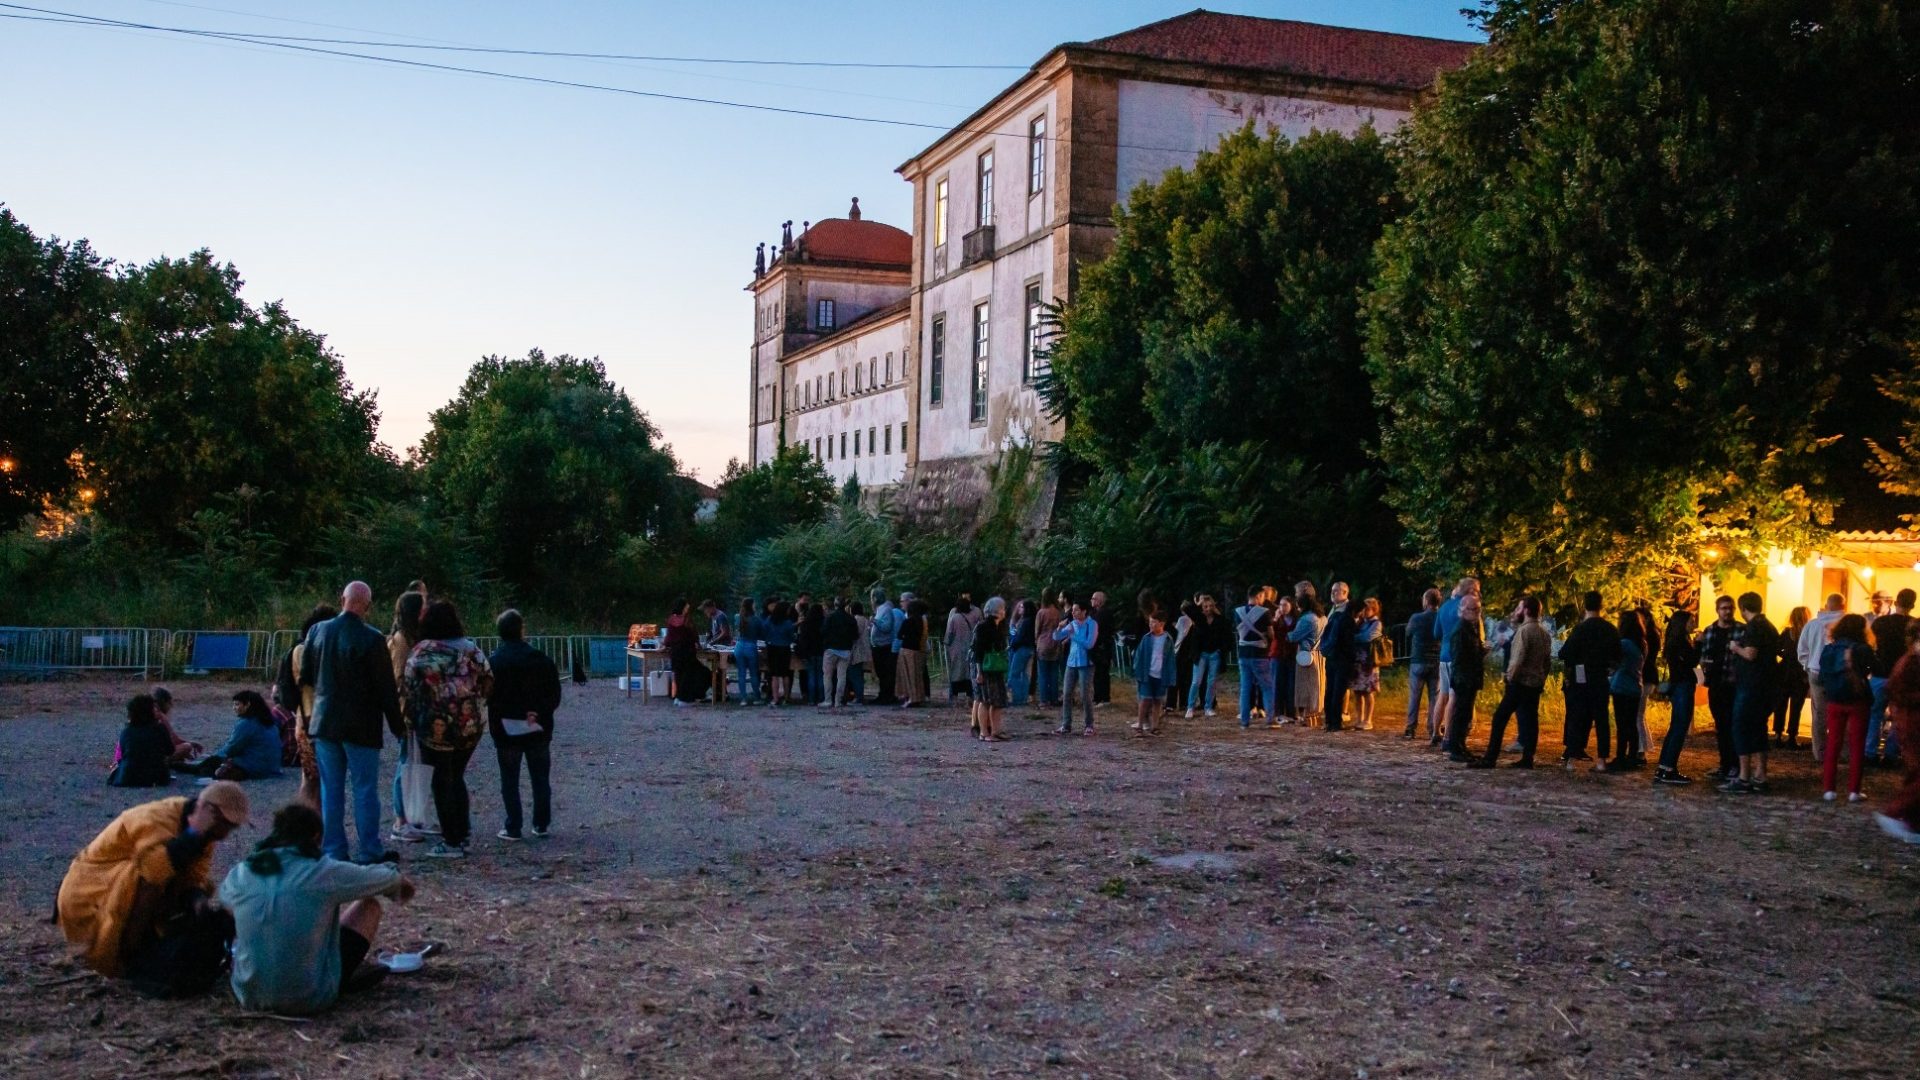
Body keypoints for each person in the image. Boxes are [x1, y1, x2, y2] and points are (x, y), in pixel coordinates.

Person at [221, 802, 419, 1013]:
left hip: (249, 995)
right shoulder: (323, 872)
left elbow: (228, 908)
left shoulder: (241, 873)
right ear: (316, 837)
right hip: (310, 998)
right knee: (369, 905)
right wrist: (401, 887)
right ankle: (331, 977)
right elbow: (390, 879)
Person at [57, 782, 248, 997]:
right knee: (145, 876)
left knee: (197, 906)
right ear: (209, 812)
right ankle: (127, 952)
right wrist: (192, 835)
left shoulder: (207, 834)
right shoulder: (157, 818)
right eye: (226, 825)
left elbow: (194, 878)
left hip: (123, 893)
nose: (227, 833)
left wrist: (198, 902)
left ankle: (145, 950)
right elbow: (152, 874)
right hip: (90, 894)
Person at [300, 582, 406, 866]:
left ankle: (334, 850)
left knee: (331, 789)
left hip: (325, 723)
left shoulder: (317, 632)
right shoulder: (372, 639)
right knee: (364, 788)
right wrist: (398, 726)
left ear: (342, 599)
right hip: (361, 726)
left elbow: (307, 676)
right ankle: (369, 850)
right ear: (367, 607)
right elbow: (386, 690)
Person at [403, 599, 493, 859]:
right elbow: (489, 680)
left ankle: (452, 840)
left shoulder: (421, 652)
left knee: (442, 782)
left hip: (435, 728)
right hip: (469, 726)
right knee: (457, 777)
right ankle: (462, 832)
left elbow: (409, 687)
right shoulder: (471, 649)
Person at [488, 609, 561, 841]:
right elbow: (554, 695)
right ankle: (541, 823)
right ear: (521, 630)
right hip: (537, 726)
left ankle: (513, 825)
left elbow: (489, 696)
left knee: (509, 779)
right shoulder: (541, 659)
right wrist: (538, 713)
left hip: (506, 728)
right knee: (540, 777)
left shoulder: (495, 662)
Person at [1471, 596, 1550, 768]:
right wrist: (1541, 679)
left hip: (1520, 683)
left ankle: (1490, 757)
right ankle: (1528, 758)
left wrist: (1509, 677)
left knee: (1499, 718)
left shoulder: (1524, 631)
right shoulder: (1544, 633)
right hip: (1535, 684)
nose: (1518, 611)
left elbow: (1518, 659)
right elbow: (1547, 661)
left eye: (1520, 608)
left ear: (1527, 611)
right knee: (1531, 720)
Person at [274, 604, 335, 808]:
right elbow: (313, 683)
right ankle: (307, 825)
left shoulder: (305, 647)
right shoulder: (303, 649)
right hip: (310, 719)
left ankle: (312, 826)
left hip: (310, 718)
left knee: (313, 778)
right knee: (312, 780)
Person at [1818, 613, 1876, 803]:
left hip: (1834, 700)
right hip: (1858, 701)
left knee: (1833, 744)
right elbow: (1876, 668)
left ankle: (1829, 789)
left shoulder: (1829, 649)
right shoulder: (1863, 649)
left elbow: (1821, 675)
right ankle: (1854, 791)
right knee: (1857, 745)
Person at [1723, 592, 1778, 793]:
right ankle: (1760, 774)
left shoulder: (1754, 626)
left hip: (1751, 686)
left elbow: (1751, 653)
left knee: (1741, 728)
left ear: (1742, 608)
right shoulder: (1769, 626)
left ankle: (1744, 776)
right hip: (1765, 685)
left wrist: (1736, 648)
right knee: (1758, 729)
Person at [1558, 591, 1620, 768]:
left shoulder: (1580, 629)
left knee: (1577, 717)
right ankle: (1602, 759)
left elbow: (1565, 653)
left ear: (1585, 605)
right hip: (1600, 677)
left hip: (1580, 678)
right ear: (1602, 606)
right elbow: (1617, 655)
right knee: (1601, 718)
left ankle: (1571, 758)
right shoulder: (1609, 629)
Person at [385, 591, 427, 842]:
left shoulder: (411, 638)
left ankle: (413, 815)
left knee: (415, 763)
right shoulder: (401, 641)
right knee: (406, 763)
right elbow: (399, 677)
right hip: (408, 710)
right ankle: (401, 820)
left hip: (416, 709)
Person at [1874, 623, 1920, 843]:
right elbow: (1897, 690)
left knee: (1915, 773)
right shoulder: (1911, 661)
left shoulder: (1912, 659)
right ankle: (1896, 812)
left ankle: (1912, 823)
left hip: (1911, 722)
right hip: (1912, 724)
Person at [183, 690, 283, 781]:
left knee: (212, 763)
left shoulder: (247, 723)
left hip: (255, 766)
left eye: (237, 704)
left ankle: (185, 767)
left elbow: (232, 748)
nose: (234, 708)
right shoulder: (269, 721)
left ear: (247, 705)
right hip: (273, 766)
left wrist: (215, 756)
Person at [1653, 607, 1702, 785]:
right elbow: (1692, 661)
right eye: (1691, 621)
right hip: (1682, 687)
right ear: (1683, 623)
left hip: (1679, 686)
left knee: (1675, 728)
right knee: (1679, 728)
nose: (1694, 624)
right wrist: (1699, 644)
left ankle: (1664, 767)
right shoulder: (1680, 642)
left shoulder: (1675, 641)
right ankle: (1668, 769)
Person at [1429, 578, 1480, 747]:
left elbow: (1436, 633)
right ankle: (1448, 737)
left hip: (1443, 657)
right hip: (1458, 658)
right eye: (1477, 589)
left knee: (1442, 696)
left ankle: (1435, 732)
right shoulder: (1467, 607)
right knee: (1454, 697)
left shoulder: (1443, 607)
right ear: (1470, 590)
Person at [1697, 595, 1743, 780]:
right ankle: (1725, 764)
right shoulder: (1710, 631)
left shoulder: (1741, 630)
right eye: (1724, 608)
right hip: (1716, 684)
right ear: (1718, 610)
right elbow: (1703, 655)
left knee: (1734, 725)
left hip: (1734, 684)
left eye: (1730, 608)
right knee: (1721, 726)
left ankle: (1736, 765)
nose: (1727, 611)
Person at [1798, 593, 1847, 766]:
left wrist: (1808, 665)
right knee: (1842, 711)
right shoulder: (1847, 625)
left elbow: (1802, 649)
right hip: (1841, 673)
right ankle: (1842, 751)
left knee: (1819, 713)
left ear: (1826, 605)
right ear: (1843, 605)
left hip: (1816, 671)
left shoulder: (1812, 625)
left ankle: (1820, 752)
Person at [1868, 589, 1915, 766]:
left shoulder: (1880, 623)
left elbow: (1871, 645)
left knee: (1874, 714)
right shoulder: (1914, 626)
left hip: (1880, 673)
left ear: (1895, 602)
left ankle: (1870, 752)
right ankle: (1891, 754)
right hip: (1903, 677)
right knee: (1899, 717)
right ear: (1913, 605)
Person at [1442, 594, 1487, 762]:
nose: (1476, 612)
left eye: (1478, 609)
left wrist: (1482, 651)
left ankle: (1461, 746)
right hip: (1463, 678)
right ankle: (1456, 748)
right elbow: (1460, 657)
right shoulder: (1461, 629)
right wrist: (1479, 653)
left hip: (1469, 677)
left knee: (1466, 714)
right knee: (1461, 713)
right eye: (1472, 609)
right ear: (1462, 609)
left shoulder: (1471, 627)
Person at [1606, 613, 1647, 773]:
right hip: (1636, 687)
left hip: (1621, 686)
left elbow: (1612, 659)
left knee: (1622, 725)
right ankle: (1632, 756)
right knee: (1631, 724)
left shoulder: (1623, 643)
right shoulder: (1641, 643)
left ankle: (1621, 757)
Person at [1234, 587, 1278, 731]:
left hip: (1243, 654)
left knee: (1245, 688)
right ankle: (1270, 719)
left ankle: (1245, 721)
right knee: (1267, 687)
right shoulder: (1265, 612)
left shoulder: (1237, 612)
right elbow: (1271, 634)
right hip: (1259, 654)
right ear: (1259, 595)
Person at [110, 693, 176, 788]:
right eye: (154, 708)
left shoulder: (127, 731)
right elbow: (170, 750)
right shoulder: (159, 728)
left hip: (127, 777)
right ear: (149, 711)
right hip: (156, 778)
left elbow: (123, 754)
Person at [1055, 600, 1099, 734]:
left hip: (1086, 663)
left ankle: (1089, 724)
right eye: (1073, 610)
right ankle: (1066, 724)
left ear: (1084, 611)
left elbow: (1089, 644)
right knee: (1067, 693)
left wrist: (1073, 636)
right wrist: (1059, 628)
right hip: (1071, 662)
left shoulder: (1092, 624)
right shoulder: (1072, 624)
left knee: (1085, 694)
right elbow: (1056, 637)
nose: (1073, 612)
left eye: (1076, 610)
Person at [1404, 589, 1443, 740]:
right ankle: (1433, 727)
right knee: (1435, 697)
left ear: (1426, 600)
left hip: (1418, 660)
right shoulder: (1440, 617)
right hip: (1436, 660)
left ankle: (1411, 727)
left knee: (1414, 695)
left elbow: (1408, 632)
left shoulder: (1416, 617)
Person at [970, 597, 1011, 741]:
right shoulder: (984, 627)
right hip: (986, 668)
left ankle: (995, 730)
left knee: (997, 701)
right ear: (998, 610)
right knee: (985, 700)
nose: (1004, 611)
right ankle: (984, 732)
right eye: (1003, 608)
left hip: (995, 668)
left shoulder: (999, 626)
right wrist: (979, 671)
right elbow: (978, 651)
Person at [1319, 582, 1357, 731]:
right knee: (1333, 689)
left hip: (1339, 654)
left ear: (1345, 592)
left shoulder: (1346, 611)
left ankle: (1333, 720)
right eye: (1332, 591)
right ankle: (1332, 720)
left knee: (1336, 689)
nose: (1333, 593)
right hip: (1335, 654)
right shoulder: (1335, 611)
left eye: (1336, 591)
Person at [1289, 584, 1326, 727]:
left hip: (1306, 655)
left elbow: (1293, 637)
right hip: (1318, 654)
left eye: (1297, 594)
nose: (1296, 597)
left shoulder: (1307, 618)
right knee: (1317, 686)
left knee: (1307, 687)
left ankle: (1308, 717)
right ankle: (1315, 716)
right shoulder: (1322, 616)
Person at [663, 599, 711, 707]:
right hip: (687, 651)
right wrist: (698, 644)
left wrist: (664, 645)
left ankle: (679, 697)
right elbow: (693, 634)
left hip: (675, 652)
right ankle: (687, 698)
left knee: (679, 675)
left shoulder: (671, 620)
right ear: (683, 608)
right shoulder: (686, 620)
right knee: (698, 673)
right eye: (686, 608)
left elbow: (668, 637)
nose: (687, 610)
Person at [1776, 606, 1811, 749]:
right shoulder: (1807, 634)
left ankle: (1778, 735)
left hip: (1783, 671)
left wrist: (1785, 655)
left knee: (1780, 704)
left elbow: (1777, 648)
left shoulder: (1786, 632)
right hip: (1800, 673)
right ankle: (1792, 736)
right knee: (1796, 706)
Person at [1186, 595, 1227, 719]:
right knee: (1196, 681)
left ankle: (1208, 707)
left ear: (1214, 606)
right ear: (1202, 608)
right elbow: (1186, 608)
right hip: (1201, 654)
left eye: (1210, 606)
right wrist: (1198, 604)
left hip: (1215, 653)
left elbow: (1226, 635)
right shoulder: (1199, 619)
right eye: (1205, 606)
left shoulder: (1220, 620)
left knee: (1212, 682)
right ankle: (1190, 707)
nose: (1208, 609)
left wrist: (1221, 650)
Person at [1350, 597, 1384, 731]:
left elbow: (1368, 637)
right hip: (1358, 661)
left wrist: (1353, 638)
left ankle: (1368, 719)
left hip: (1369, 662)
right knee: (1357, 692)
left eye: (1367, 608)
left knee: (1368, 691)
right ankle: (1359, 718)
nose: (1364, 611)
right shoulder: (1361, 622)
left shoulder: (1376, 624)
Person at [147, 688, 203, 766]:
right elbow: (173, 740)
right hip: (156, 756)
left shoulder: (146, 713)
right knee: (187, 747)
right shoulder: (160, 716)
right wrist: (190, 744)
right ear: (165, 702)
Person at [821, 597, 858, 710]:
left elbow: (823, 631)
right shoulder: (851, 619)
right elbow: (855, 635)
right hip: (845, 650)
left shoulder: (830, 616)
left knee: (827, 675)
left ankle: (828, 700)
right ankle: (838, 701)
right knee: (841, 676)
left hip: (831, 649)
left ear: (835, 604)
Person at [945, 595, 982, 707]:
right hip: (970, 648)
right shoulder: (974, 615)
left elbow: (949, 634)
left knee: (956, 674)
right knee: (969, 674)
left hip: (956, 649)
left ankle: (955, 699)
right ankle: (969, 699)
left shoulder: (954, 617)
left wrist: (947, 644)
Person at [895, 593, 930, 708]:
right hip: (917, 650)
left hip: (906, 650)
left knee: (907, 676)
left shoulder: (908, 621)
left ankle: (911, 697)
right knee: (917, 676)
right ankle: (919, 696)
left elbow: (900, 635)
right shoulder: (922, 620)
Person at [869, 591, 902, 705]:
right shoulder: (880, 610)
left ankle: (887, 696)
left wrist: (875, 621)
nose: (871, 601)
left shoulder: (886, 609)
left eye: (872, 598)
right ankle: (883, 694)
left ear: (876, 598)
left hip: (884, 647)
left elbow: (887, 627)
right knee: (881, 672)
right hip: (878, 646)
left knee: (885, 673)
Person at [762, 599, 797, 707]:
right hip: (785, 648)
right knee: (785, 674)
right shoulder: (788, 623)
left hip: (772, 647)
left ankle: (775, 698)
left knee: (774, 675)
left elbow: (764, 632)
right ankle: (786, 697)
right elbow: (792, 637)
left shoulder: (769, 620)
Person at [1034, 593, 1066, 708]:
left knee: (1043, 673)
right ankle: (1054, 698)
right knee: (1053, 673)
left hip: (1043, 644)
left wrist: (1036, 642)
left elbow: (1037, 630)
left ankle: (1044, 700)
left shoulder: (1041, 612)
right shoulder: (1058, 612)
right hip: (1056, 643)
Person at [1006, 599, 1037, 708]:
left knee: (1014, 673)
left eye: (1022, 607)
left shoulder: (1025, 621)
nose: (1020, 609)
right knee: (1024, 674)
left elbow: (1019, 637)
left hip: (1021, 649)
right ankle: (1023, 697)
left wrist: (1011, 644)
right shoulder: (1032, 620)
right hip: (1029, 649)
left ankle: (1018, 698)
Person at [703, 599, 734, 704]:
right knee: (716, 670)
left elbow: (725, 632)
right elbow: (714, 631)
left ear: (711, 607)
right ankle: (720, 692)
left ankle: (722, 693)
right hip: (716, 646)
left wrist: (712, 641)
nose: (705, 612)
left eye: (706, 609)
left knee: (721, 670)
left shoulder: (720, 616)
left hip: (722, 646)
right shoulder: (713, 617)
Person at [795, 599, 826, 705]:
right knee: (821, 675)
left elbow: (802, 639)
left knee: (811, 675)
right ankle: (822, 697)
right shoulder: (824, 623)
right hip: (821, 651)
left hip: (810, 652)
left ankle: (812, 699)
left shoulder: (805, 624)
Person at [733, 598, 763, 705]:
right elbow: (761, 633)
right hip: (751, 646)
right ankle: (757, 697)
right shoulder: (756, 619)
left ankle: (743, 698)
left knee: (741, 673)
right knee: (753, 673)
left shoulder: (737, 617)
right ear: (751, 606)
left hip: (739, 646)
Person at [1090, 591, 1116, 707]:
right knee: (1098, 673)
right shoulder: (1096, 613)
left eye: (1094, 598)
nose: (1092, 600)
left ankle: (1104, 698)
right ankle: (1098, 697)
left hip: (1102, 648)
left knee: (1102, 673)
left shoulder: (1104, 613)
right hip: (1098, 647)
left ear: (1100, 601)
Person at [847, 600, 874, 705]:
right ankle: (859, 696)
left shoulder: (857, 620)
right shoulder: (864, 619)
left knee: (855, 674)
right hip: (863, 649)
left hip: (858, 650)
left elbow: (855, 633)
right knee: (858, 674)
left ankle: (858, 697)